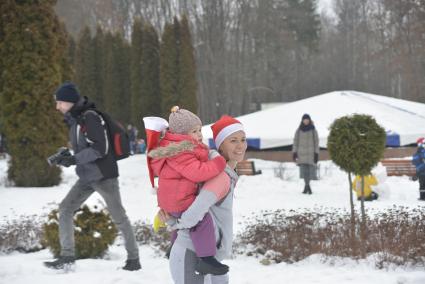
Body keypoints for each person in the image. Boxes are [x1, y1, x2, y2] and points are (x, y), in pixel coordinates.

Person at [44, 82, 140, 270]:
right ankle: (67, 256)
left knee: (119, 216)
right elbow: (84, 147)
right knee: (65, 209)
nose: (57, 107)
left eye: (60, 102)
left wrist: (73, 159)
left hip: (104, 176)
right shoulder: (76, 120)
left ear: (70, 102)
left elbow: (100, 149)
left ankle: (134, 259)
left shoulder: (90, 118)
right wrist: (66, 154)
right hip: (87, 176)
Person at [159, 115, 247, 284]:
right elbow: (196, 210)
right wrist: (174, 224)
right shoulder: (220, 176)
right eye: (233, 140)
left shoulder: (220, 172)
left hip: (208, 256)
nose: (240, 145)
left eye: (243, 139)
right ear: (220, 145)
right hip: (191, 255)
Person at [148, 106, 229, 275]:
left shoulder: (176, 147)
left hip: (171, 199)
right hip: (179, 201)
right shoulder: (181, 151)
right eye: (194, 131)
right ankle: (207, 259)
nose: (199, 135)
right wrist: (218, 162)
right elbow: (198, 172)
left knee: (182, 226)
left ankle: (174, 248)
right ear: (182, 134)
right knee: (201, 221)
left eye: (200, 130)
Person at [292, 113, 319, 194]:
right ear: (302, 120)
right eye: (304, 119)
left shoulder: (313, 129)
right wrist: (294, 152)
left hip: (310, 154)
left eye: (307, 119)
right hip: (301, 154)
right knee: (304, 172)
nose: (306, 121)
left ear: (309, 120)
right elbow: (295, 141)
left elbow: (316, 142)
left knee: (310, 172)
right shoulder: (298, 130)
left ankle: (307, 186)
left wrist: (316, 153)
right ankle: (307, 186)